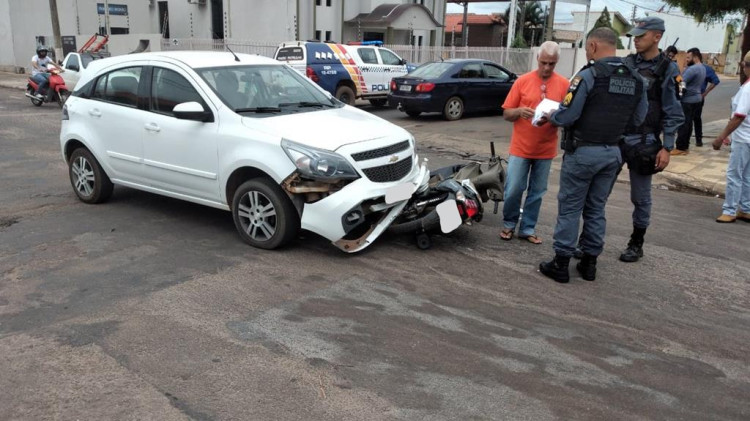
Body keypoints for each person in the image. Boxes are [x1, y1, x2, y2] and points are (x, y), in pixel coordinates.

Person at [538, 27, 647, 283]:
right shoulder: (636, 78)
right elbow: (639, 119)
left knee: (570, 208)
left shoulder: (589, 75)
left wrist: (551, 115)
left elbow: (568, 115)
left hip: (583, 152)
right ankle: (589, 264)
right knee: (596, 209)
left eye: (587, 47)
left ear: (594, 46)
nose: (587, 52)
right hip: (613, 153)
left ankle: (561, 263)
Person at [617, 17, 685, 263]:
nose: (636, 39)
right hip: (618, 139)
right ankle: (588, 241)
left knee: (641, 197)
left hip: (645, 142)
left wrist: (667, 147)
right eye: (634, 36)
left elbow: (673, 110)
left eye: (641, 36)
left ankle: (637, 242)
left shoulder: (668, 69)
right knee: (598, 193)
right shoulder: (626, 63)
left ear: (657, 37)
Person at [499, 41, 569, 244]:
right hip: (521, 147)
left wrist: (555, 117)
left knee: (537, 192)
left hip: (546, 149)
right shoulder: (522, 81)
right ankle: (509, 224)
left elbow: (568, 116)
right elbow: (506, 113)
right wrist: (519, 112)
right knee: (513, 189)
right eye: (544, 62)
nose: (547, 68)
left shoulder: (564, 84)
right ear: (537, 58)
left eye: (552, 64)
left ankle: (527, 228)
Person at [712, 52, 750, 224]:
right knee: (747, 176)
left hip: (743, 139)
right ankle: (746, 208)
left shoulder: (748, 89)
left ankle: (730, 210)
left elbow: (739, 116)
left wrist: (721, 136)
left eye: (744, 64)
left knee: (735, 174)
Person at [673, 47, 706, 154]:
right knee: (689, 123)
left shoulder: (692, 69)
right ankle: (685, 146)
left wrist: (675, 77)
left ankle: (680, 147)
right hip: (697, 99)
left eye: (688, 57)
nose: (686, 60)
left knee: (683, 124)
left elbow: (681, 81)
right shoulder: (702, 67)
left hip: (688, 100)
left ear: (695, 57)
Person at [693, 61, 721, 148]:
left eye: (688, 57)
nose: (686, 59)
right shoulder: (688, 68)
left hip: (698, 98)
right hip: (686, 98)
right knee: (686, 120)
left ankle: (698, 140)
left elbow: (716, 80)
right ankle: (683, 141)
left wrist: (705, 93)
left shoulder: (705, 68)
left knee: (696, 118)